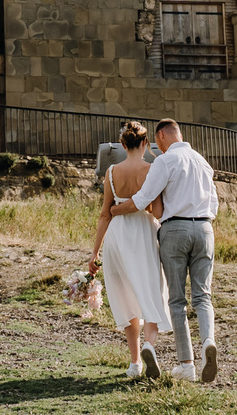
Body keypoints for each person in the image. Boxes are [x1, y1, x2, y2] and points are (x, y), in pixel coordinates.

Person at [110, 117, 220, 382]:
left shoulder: (165, 160)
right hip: (205, 228)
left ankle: (187, 365)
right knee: (203, 296)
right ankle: (208, 340)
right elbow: (214, 201)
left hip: (175, 230)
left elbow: (144, 199)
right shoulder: (203, 162)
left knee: (177, 301)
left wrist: (116, 209)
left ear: (160, 138)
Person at [89, 120, 171, 377]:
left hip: (117, 236)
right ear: (146, 143)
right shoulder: (151, 169)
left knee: (125, 296)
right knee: (151, 292)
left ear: (123, 144)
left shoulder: (111, 172)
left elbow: (105, 215)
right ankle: (150, 346)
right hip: (143, 233)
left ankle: (135, 363)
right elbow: (157, 211)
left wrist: (95, 252)